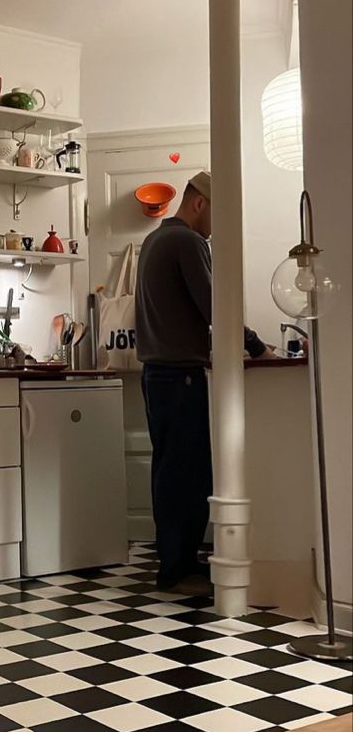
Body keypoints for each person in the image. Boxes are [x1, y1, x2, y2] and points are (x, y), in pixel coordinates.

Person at [135, 171, 276, 593]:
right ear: (200, 203)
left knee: (169, 471)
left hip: (158, 374)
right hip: (180, 377)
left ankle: (174, 562)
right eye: (217, 214)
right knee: (188, 473)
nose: (217, 226)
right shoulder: (188, 242)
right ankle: (178, 572)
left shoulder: (154, 241)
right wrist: (256, 346)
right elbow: (218, 306)